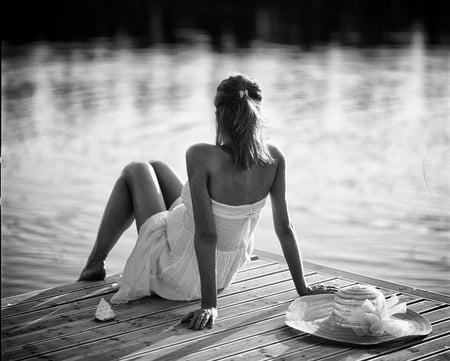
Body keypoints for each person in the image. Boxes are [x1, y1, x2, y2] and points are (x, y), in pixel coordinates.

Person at [78, 74, 337, 331]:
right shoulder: (274, 158)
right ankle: (95, 264)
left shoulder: (200, 155)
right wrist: (302, 288)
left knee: (136, 169)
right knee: (157, 167)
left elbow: (206, 235)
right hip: (223, 272)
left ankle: (94, 264)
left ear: (219, 115)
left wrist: (210, 305)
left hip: (178, 270)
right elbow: (285, 229)